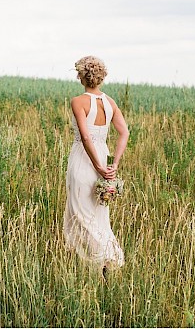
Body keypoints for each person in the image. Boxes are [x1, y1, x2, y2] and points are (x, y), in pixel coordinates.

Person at [63, 55, 129, 277]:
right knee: (99, 215)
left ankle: (98, 262)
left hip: (84, 159)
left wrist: (98, 166)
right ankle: (106, 262)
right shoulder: (110, 103)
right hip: (104, 155)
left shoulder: (77, 101)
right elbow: (124, 133)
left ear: (81, 76)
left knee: (80, 213)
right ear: (100, 77)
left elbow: (85, 136)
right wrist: (114, 163)